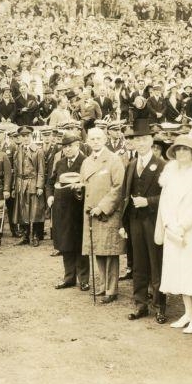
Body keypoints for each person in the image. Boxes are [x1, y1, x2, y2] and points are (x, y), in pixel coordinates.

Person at [155, 134, 192, 333]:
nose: (182, 153)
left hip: (191, 231)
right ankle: (187, 313)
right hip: (172, 230)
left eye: (186, 149)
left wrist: (182, 226)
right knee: (179, 272)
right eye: (178, 149)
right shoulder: (170, 172)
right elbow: (164, 202)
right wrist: (169, 223)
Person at [121, 120, 166, 324]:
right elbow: (125, 195)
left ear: (151, 141)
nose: (140, 143)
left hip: (154, 221)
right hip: (135, 221)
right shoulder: (131, 165)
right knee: (139, 264)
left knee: (156, 264)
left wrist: (148, 201)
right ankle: (140, 304)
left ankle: (159, 306)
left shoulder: (162, 165)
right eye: (136, 139)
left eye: (144, 139)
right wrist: (123, 224)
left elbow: (168, 196)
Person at [80, 127, 126, 304]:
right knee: (97, 249)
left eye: (99, 138)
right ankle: (102, 285)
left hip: (107, 212)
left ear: (105, 139)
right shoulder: (86, 162)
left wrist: (102, 207)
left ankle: (111, 289)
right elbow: (84, 184)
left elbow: (119, 187)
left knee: (110, 251)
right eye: (92, 139)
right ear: (88, 142)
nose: (95, 142)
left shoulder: (114, 160)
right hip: (91, 211)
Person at [47, 133, 90, 291]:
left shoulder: (86, 161)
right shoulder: (60, 163)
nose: (67, 149)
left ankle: (83, 279)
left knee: (80, 244)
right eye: (65, 147)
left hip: (79, 209)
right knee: (65, 243)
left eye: (70, 146)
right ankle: (69, 277)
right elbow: (50, 182)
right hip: (62, 210)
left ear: (78, 145)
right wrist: (50, 196)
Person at [12, 126, 46, 247]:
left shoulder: (38, 151)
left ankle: (35, 235)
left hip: (33, 182)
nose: (25, 138)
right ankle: (25, 235)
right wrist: (14, 187)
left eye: (27, 136)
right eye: (23, 136)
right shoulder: (18, 151)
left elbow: (41, 170)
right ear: (20, 137)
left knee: (35, 210)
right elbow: (15, 171)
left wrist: (40, 186)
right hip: (21, 183)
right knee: (22, 210)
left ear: (31, 136)